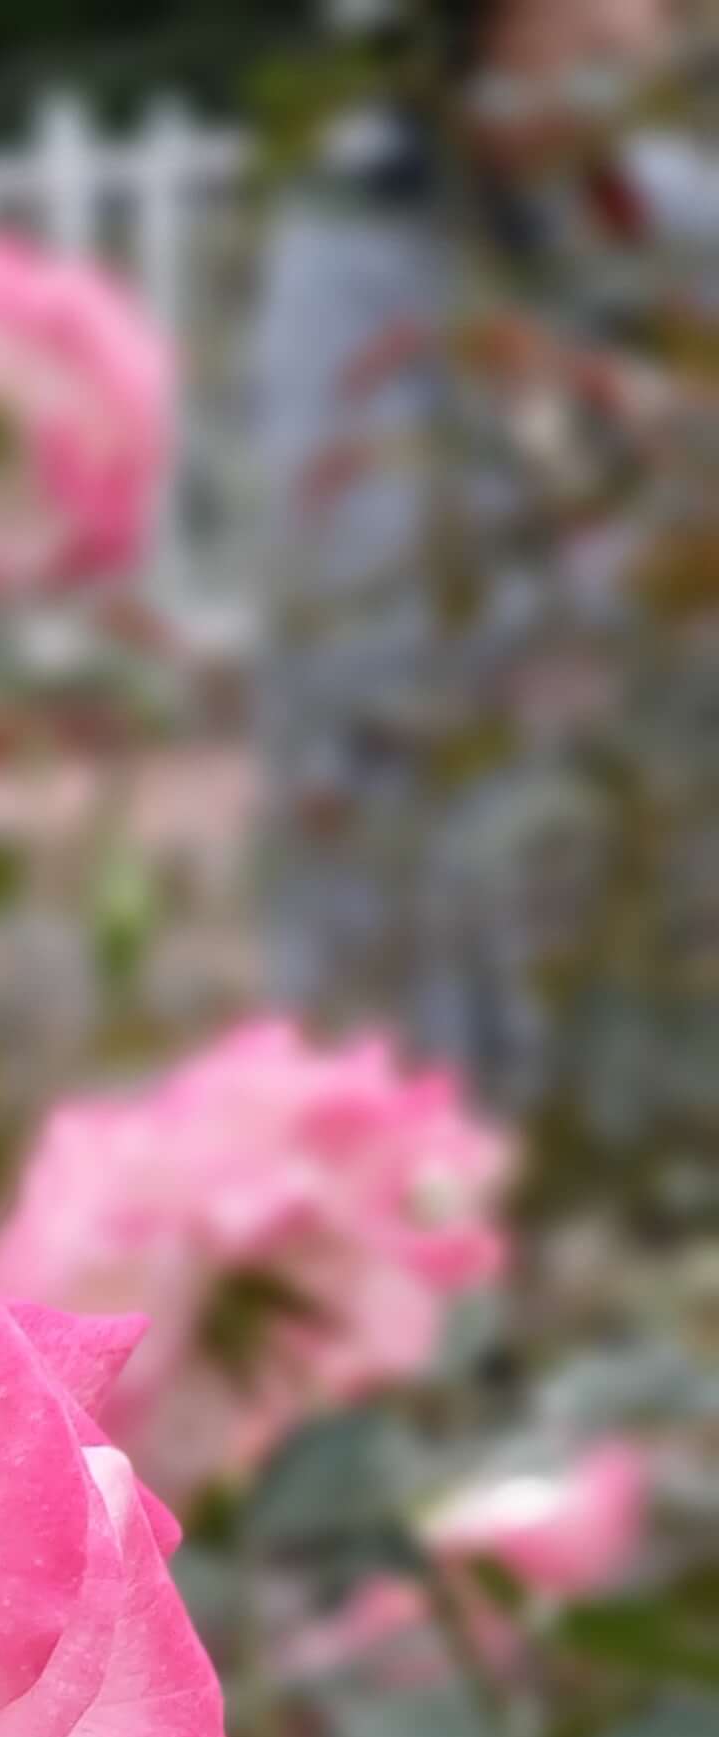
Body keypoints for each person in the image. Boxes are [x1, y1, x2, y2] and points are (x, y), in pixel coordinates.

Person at [250, 0, 719, 1169]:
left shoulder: (671, 215)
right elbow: (370, 612)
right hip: (430, 903)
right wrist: (652, 555)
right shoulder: (360, 235)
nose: (642, 23)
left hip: (661, 889)